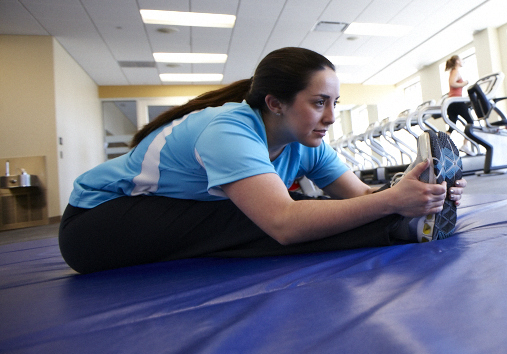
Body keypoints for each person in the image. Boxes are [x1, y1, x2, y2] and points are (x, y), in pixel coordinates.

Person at [59, 47, 466, 274]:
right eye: (318, 102)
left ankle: (405, 223)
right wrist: (393, 207)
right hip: (95, 224)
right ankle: (400, 230)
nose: (330, 117)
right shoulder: (228, 129)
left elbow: (359, 195)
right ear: (275, 104)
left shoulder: (309, 141)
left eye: (335, 104)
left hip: (165, 216)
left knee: (316, 210)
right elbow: (284, 224)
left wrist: (419, 191)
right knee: (259, 218)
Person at [444, 55, 474, 127]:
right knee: (470, 122)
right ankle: (467, 139)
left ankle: (443, 138)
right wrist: (464, 83)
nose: (462, 61)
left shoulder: (453, 71)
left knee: (452, 127)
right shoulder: (455, 71)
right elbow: (452, 83)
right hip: (456, 101)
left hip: (452, 102)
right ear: (457, 61)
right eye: (461, 59)